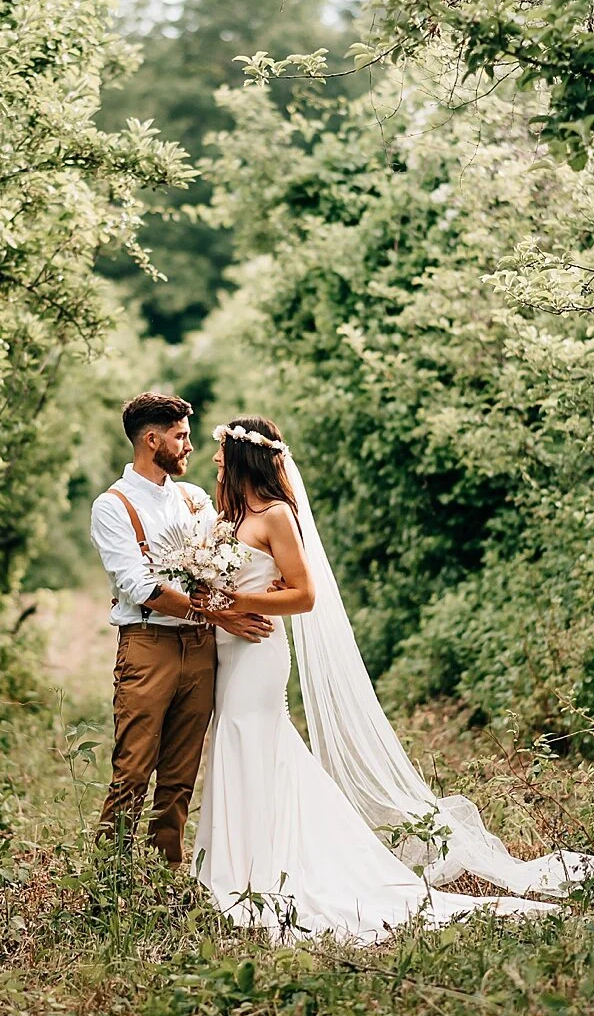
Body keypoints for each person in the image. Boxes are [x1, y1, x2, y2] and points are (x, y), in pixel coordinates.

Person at [188, 415, 559, 942]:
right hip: (227, 652)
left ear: (244, 457)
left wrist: (239, 600)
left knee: (249, 738)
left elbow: (304, 594)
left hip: (259, 653)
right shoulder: (225, 518)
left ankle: (257, 874)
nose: (215, 459)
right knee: (239, 744)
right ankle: (238, 864)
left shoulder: (276, 516)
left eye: (222, 451)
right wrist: (211, 601)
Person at [87, 392, 272, 865]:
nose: (189, 446)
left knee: (180, 774)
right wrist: (218, 615)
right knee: (133, 768)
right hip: (148, 644)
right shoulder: (112, 506)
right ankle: (110, 875)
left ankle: (166, 870)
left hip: (201, 648)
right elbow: (141, 587)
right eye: (181, 436)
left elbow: (224, 564)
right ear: (152, 441)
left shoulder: (195, 499)